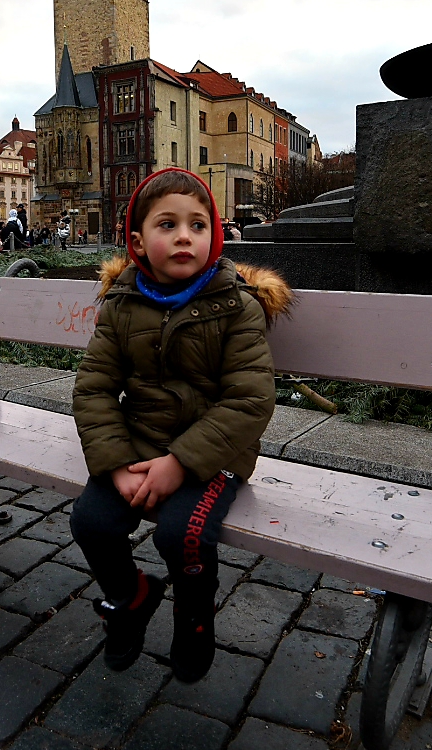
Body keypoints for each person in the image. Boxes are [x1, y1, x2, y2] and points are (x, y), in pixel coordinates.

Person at [69, 169, 292, 683]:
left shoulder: (236, 305)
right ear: (138, 242)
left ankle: (193, 619)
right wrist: (116, 464)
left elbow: (250, 399)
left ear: (215, 236)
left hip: (215, 455)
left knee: (183, 534)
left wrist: (181, 462)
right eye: (167, 224)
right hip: (139, 445)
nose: (184, 236)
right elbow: (95, 388)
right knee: (92, 522)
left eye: (198, 224)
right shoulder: (122, 304)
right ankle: (132, 597)